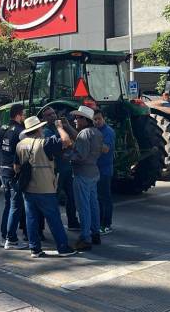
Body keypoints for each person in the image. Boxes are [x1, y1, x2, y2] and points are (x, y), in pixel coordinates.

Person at [16, 116, 76, 257]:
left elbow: (16, 167)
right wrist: (59, 127)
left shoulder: (20, 144)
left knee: (31, 218)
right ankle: (63, 247)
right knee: (53, 217)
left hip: (28, 187)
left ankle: (35, 249)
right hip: (45, 187)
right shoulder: (45, 143)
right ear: (38, 129)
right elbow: (66, 141)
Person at [66, 105, 103, 251]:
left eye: (78, 118)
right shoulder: (97, 132)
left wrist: (67, 155)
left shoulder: (84, 134)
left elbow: (80, 156)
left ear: (85, 120)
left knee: (83, 207)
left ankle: (85, 238)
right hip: (93, 171)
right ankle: (95, 233)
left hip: (82, 173)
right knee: (93, 205)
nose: (75, 120)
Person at [41, 107, 80, 230]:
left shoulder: (61, 127)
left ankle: (72, 221)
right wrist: (63, 135)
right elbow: (62, 145)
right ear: (44, 118)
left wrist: (67, 126)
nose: (53, 116)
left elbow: (75, 140)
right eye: (49, 115)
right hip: (56, 170)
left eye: (53, 113)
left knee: (72, 196)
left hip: (67, 168)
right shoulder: (46, 131)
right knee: (54, 198)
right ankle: (54, 225)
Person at [0, 104, 27, 249]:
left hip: (3, 169)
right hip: (15, 171)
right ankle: (11, 239)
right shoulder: (21, 132)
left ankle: (5, 235)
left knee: (8, 204)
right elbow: (22, 153)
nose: (25, 117)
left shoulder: (1, 128)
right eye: (23, 114)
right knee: (15, 206)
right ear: (18, 115)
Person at [94, 110, 115, 234]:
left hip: (104, 170)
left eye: (99, 119)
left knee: (104, 197)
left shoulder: (108, 132)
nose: (97, 121)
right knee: (98, 197)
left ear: (104, 119)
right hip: (96, 169)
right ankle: (99, 222)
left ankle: (106, 224)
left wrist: (92, 141)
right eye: (95, 119)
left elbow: (106, 149)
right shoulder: (95, 131)